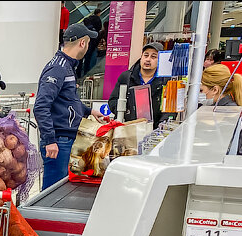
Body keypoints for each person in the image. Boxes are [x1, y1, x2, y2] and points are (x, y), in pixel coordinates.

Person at [35, 23, 105, 190]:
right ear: (83, 43)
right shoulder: (58, 68)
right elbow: (41, 106)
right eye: (88, 43)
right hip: (59, 141)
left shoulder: (67, 66)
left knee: (61, 189)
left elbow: (67, 100)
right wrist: (50, 140)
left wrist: (89, 111)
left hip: (64, 139)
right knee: (54, 191)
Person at [107, 42, 167, 125]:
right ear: (141, 57)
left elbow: (168, 109)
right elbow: (113, 101)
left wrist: (162, 125)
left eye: (153, 57)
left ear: (160, 60)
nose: (148, 59)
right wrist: (127, 111)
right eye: (146, 55)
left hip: (153, 129)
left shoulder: (165, 81)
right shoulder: (126, 77)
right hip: (127, 127)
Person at [200, 63, 242, 154]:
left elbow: (219, 148)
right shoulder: (218, 107)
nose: (200, 94)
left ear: (215, 90)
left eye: (201, 90)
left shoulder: (229, 113)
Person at [80, 8, 104, 78]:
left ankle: (80, 72)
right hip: (93, 40)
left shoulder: (89, 18)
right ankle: (88, 72)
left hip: (86, 39)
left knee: (84, 56)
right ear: (99, 13)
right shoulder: (98, 20)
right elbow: (99, 29)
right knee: (90, 57)